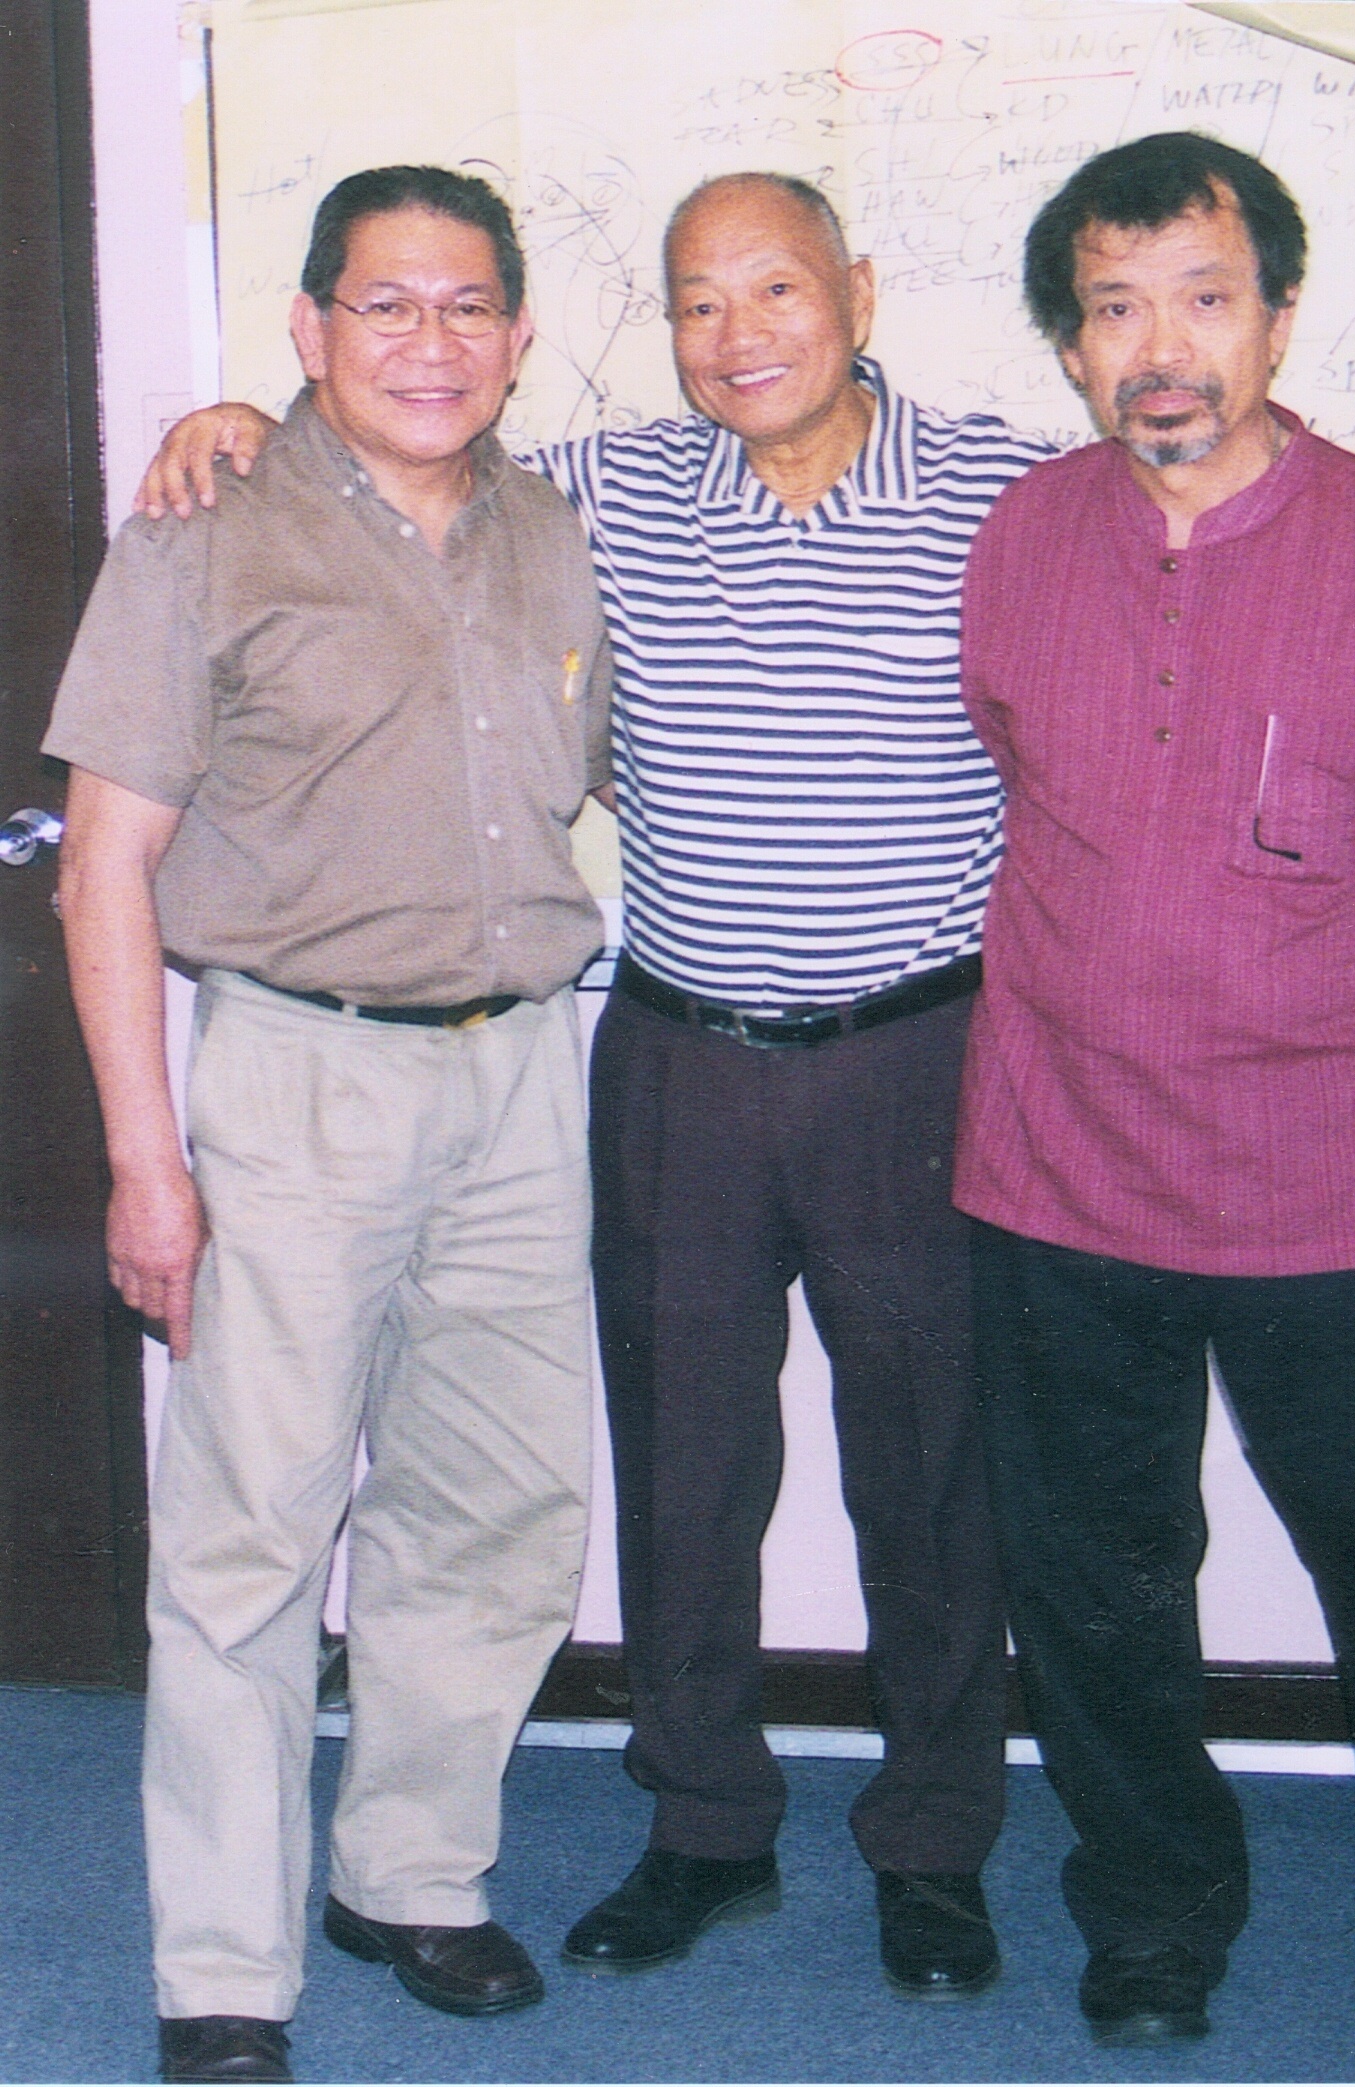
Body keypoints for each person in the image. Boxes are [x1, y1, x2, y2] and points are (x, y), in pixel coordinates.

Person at [138, 170, 1355, 2005]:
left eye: (774, 289)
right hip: (679, 1055)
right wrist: (234, 419)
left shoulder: (1008, 493)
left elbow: (1199, 479)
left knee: (932, 1480)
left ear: (857, 290)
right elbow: (406, 483)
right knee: (684, 1471)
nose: (737, 334)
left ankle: (933, 1850)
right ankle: (704, 1823)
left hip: (925, 1059)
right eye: (696, 302)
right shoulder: (594, 496)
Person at [45, 166, 614, 2085]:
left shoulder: (561, 534)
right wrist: (147, 1162)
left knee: (500, 1508)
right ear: (307, 332)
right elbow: (100, 871)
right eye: (385, 306)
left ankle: (411, 1872)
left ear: (520, 338)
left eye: (468, 307)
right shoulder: (204, 525)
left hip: (528, 1072)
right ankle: (223, 1968)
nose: (430, 342)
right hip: (296, 1078)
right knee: (247, 1543)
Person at [955, 131, 1355, 2083]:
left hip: (1339, 1184)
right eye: (1113, 306)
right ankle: (1157, 1923)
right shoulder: (1017, 534)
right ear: (1071, 342)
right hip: (1054, 1171)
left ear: (1277, 312)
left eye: (1200, 295)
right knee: (1098, 1597)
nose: (1158, 346)